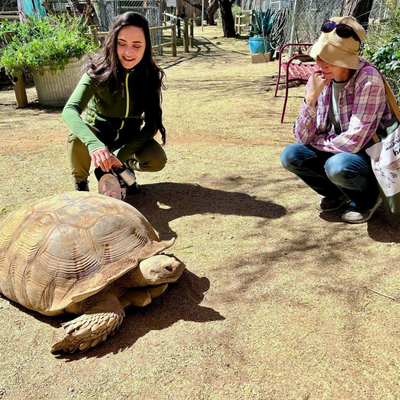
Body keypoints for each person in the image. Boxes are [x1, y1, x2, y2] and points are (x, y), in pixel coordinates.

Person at [280, 16, 392, 224]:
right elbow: (302, 137)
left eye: (330, 58)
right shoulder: (319, 78)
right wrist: (310, 100)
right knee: (291, 154)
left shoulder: (368, 79)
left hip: (369, 154)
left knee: (337, 165)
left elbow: (355, 141)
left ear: (346, 59)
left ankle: (367, 200)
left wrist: (317, 142)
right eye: (319, 56)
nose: (321, 64)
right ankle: (338, 195)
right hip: (336, 147)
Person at [62, 11, 167, 200]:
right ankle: (81, 183)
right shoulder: (97, 71)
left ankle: (121, 166)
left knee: (157, 159)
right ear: (113, 42)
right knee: (76, 138)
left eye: (137, 45)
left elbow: (152, 125)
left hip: (128, 139)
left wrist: (120, 154)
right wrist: (94, 145)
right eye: (122, 44)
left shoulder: (150, 77)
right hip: (99, 135)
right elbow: (70, 110)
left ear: (146, 47)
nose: (129, 52)